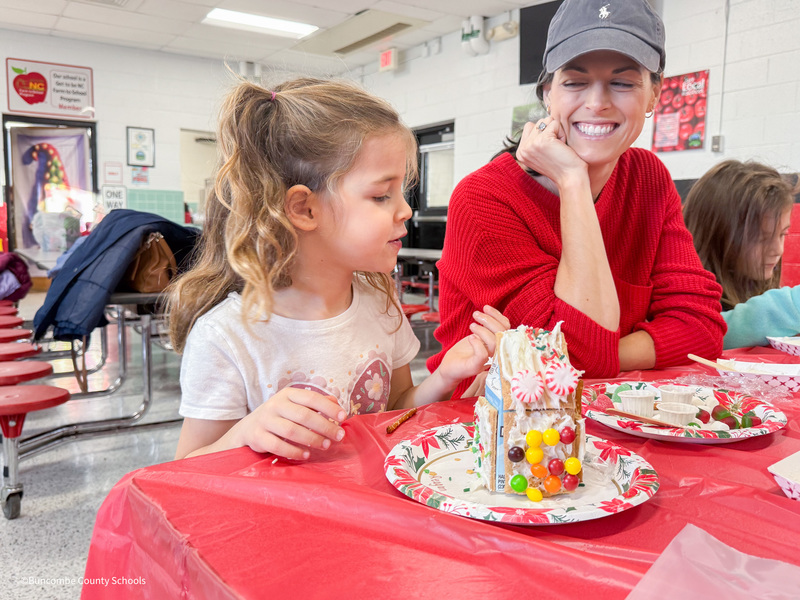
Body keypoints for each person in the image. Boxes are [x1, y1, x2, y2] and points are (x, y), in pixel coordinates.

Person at [170, 78, 503, 461]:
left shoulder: (380, 303)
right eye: (381, 195)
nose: (406, 210)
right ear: (304, 209)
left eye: (401, 193)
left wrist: (445, 376)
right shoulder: (228, 337)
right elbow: (184, 468)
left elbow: (395, 410)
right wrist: (246, 432)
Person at [428, 0, 726, 398]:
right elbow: (579, 353)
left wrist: (598, 355)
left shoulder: (648, 178)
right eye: (575, 82)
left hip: (611, 416)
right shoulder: (485, 198)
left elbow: (702, 329)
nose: (597, 102)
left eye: (623, 82)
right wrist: (572, 180)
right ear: (548, 93)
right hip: (487, 434)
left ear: (655, 94)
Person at [683, 159, 800, 348]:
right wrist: (791, 306)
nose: (777, 250)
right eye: (761, 239)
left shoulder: (755, 283)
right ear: (717, 235)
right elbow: (708, 333)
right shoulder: (685, 295)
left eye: (783, 234)